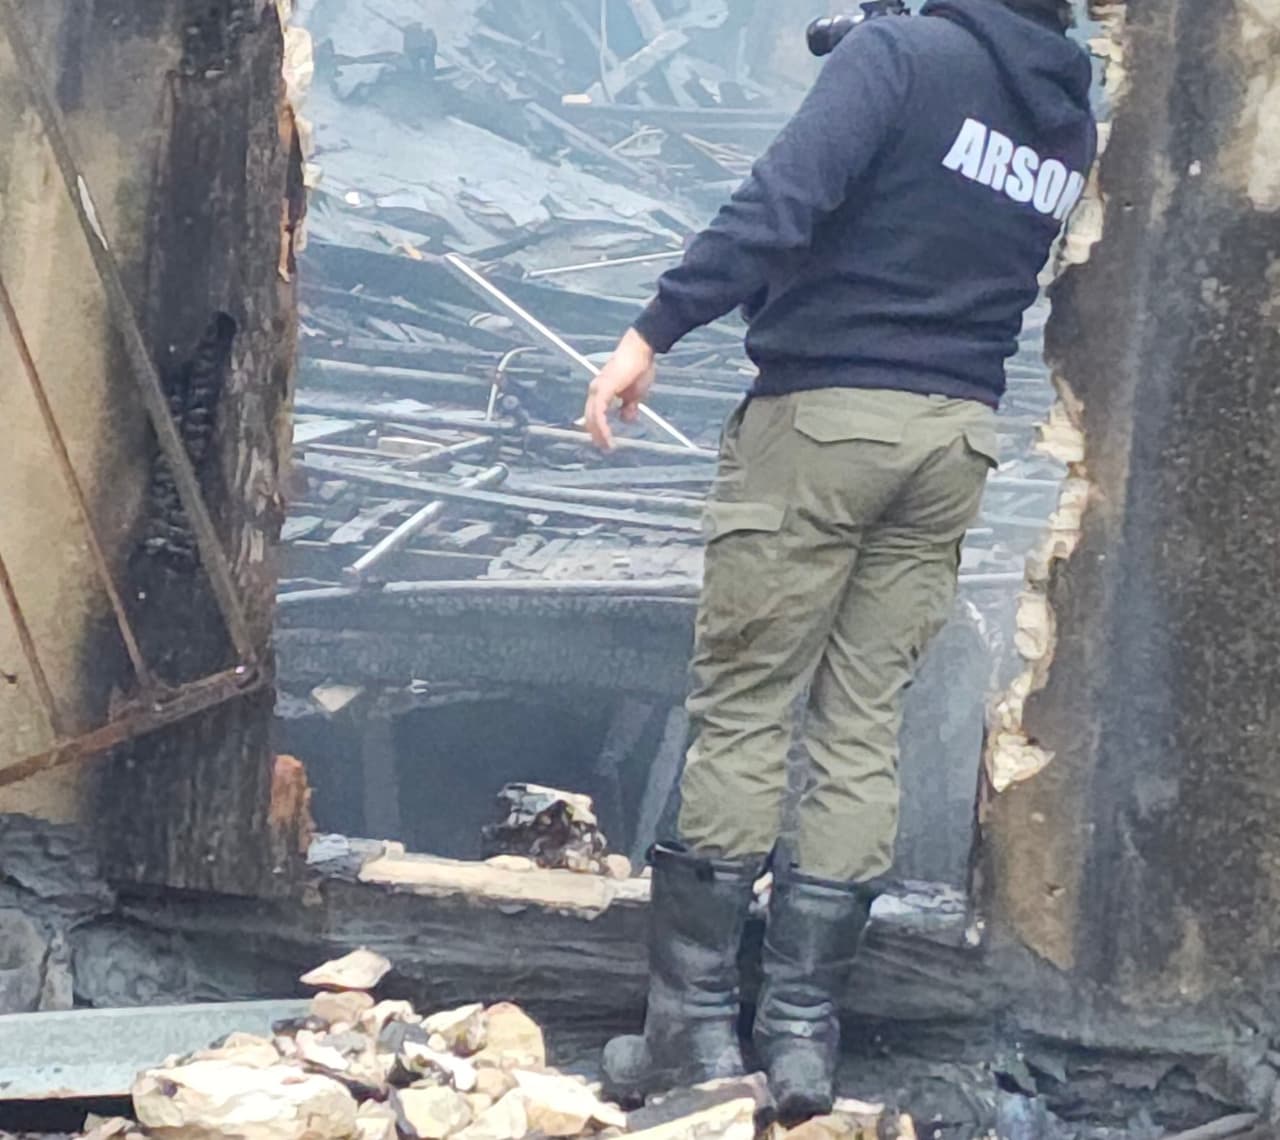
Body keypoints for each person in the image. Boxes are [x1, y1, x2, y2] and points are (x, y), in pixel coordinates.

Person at [582, 0, 1097, 1124]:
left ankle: (692, 1033)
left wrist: (651, 331)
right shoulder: (1067, 116)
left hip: (824, 420)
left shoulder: (900, 56)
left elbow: (781, 202)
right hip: (953, 439)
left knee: (746, 709)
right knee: (861, 724)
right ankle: (804, 1041)